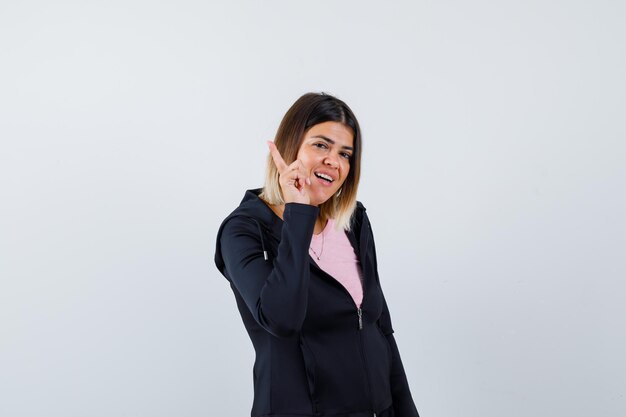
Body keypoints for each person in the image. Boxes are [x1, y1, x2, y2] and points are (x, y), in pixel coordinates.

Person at [214, 92, 420, 417]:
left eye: (345, 153)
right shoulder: (243, 231)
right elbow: (281, 319)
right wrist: (298, 210)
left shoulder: (353, 221)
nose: (333, 161)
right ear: (289, 145)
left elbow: (381, 328)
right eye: (321, 145)